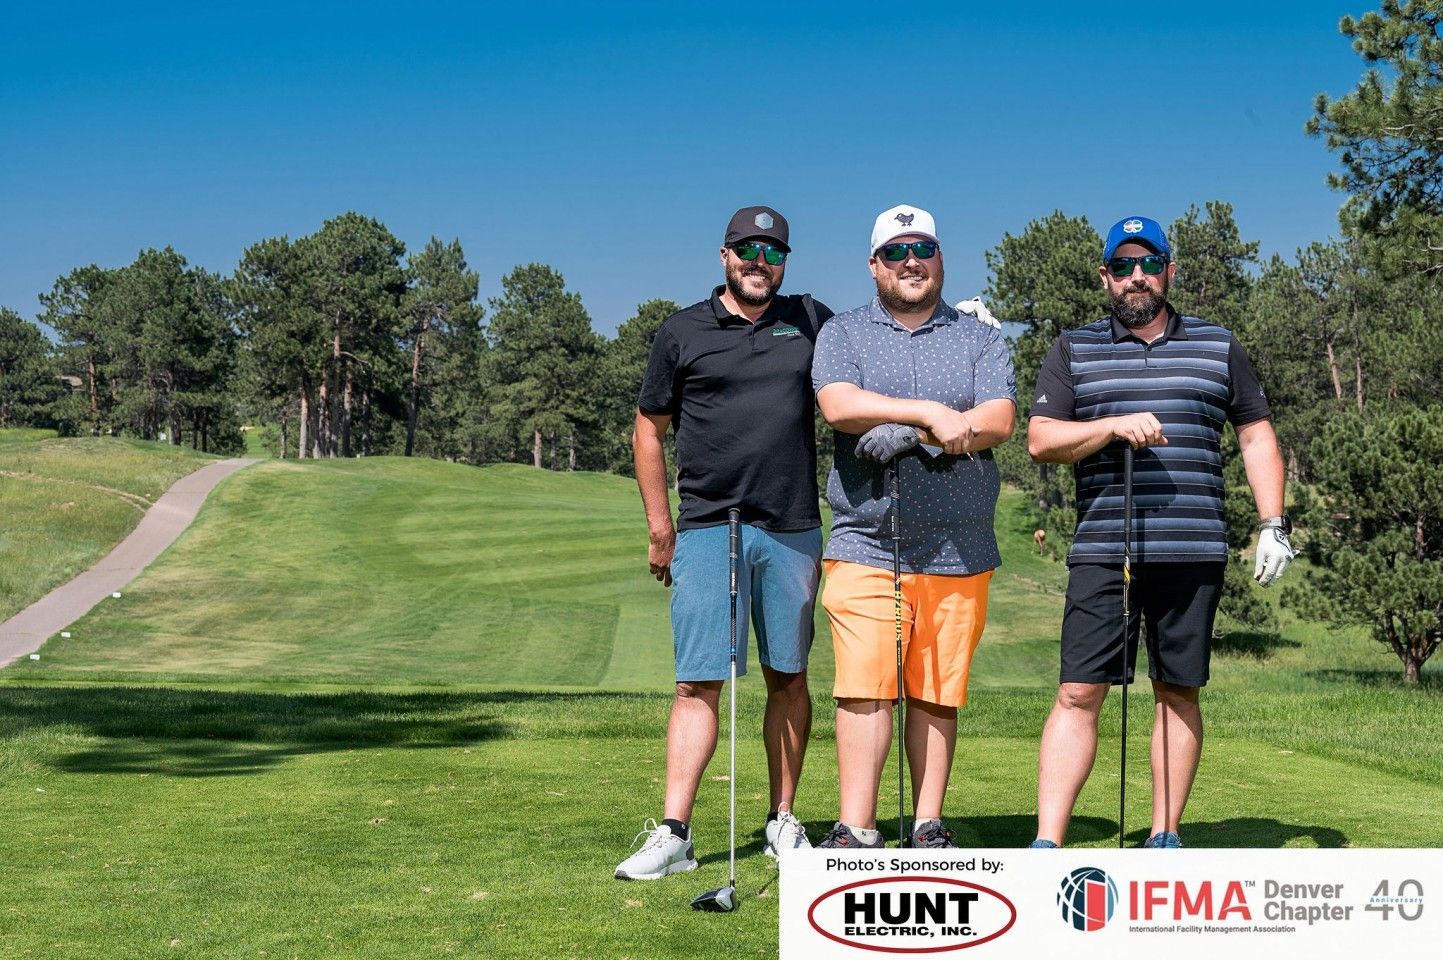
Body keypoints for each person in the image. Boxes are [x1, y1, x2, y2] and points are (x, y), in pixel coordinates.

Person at [1027, 215, 1296, 849]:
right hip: (1103, 548)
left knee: (1178, 691)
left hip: (1193, 547)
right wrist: (1110, 426)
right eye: (1123, 266)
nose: (1137, 277)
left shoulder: (1217, 344)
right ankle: (1048, 843)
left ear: (1169, 271)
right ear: (1106, 277)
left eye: (1149, 264)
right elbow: (1041, 439)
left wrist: (1273, 524)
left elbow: (1255, 435)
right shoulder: (1073, 348)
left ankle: (1164, 836)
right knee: (1078, 692)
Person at [615, 205, 833, 879]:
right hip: (710, 525)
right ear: (724, 255)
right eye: (748, 250)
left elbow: (866, 367)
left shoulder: (812, 320)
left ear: (785, 262)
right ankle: (675, 833)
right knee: (696, 681)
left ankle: (782, 819)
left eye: (773, 253)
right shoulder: (682, 331)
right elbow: (648, 430)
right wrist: (660, 528)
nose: (759, 263)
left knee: (788, 676)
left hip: (791, 525)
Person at [811, 204, 1016, 849]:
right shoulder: (843, 333)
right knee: (865, 684)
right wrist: (928, 413)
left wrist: (914, 435)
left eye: (922, 248)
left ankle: (927, 824)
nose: (911, 262)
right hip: (867, 537)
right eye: (896, 252)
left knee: (935, 689)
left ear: (940, 258)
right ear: (874, 265)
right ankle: (857, 828)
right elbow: (839, 405)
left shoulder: (979, 337)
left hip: (960, 543)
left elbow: (998, 420)